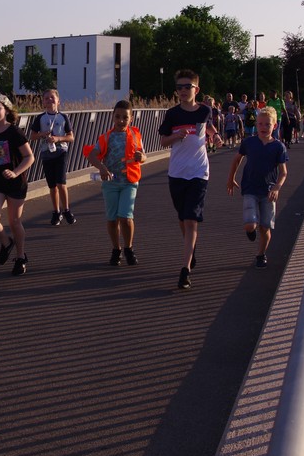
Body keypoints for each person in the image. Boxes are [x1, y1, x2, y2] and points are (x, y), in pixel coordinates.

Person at [158, 69, 212, 290]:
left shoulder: (205, 110)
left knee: (190, 219)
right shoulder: (172, 114)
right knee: (182, 217)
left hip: (199, 172)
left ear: (196, 90)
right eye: (179, 87)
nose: (182, 90)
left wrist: (215, 135)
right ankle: (191, 249)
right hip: (177, 172)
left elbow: (206, 127)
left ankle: (185, 269)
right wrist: (176, 136)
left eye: (187, 86)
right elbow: (163, 141)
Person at [85, 100, 146, 266]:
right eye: (117, 116)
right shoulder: (106, 137)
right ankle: (116, 249)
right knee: (112, 219)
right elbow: (92, 155)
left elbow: (143, 155)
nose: (121, 120)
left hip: (129, 181)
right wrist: (102, 168)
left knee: (126, 217)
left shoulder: (135, 134)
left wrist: (142, 157)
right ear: (112, 117)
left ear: (131, 118)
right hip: (111, 183)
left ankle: (129, 248)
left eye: (125, 117)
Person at [226, 107, 289, 268]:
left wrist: (277, 187)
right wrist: (231, 178)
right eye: (260, 124)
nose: (263, 127)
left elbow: (283, 172)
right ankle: (250, 229)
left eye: (267, 124)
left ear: (274, 126)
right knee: (250, 224)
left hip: (268, 192)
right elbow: (237, 159)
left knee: (265, 228)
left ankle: (261, 254)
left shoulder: (278, 147)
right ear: (256, 125)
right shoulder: (249, 143)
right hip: (250, 188)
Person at [0, 94, 35, 276]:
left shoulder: (15, 132)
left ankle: (20, 257)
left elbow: (29, 157)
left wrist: (15, 172)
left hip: (15, 182)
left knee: (14, 222)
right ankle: (6, 242)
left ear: (6, 110)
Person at [29, 89, 76, 226]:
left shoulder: (63, 117)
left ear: (58, 101)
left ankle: (66, 210)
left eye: (52, 97)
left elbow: (71, 137)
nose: (49, 100)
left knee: (61, 183)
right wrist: (43, 134)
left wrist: (58, 139)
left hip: (61, 152)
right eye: (46, 98)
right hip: (46, 153)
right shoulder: (40, 118)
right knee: (52, 186)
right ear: (43, 102)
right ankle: (56, 212)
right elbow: (32, 136)